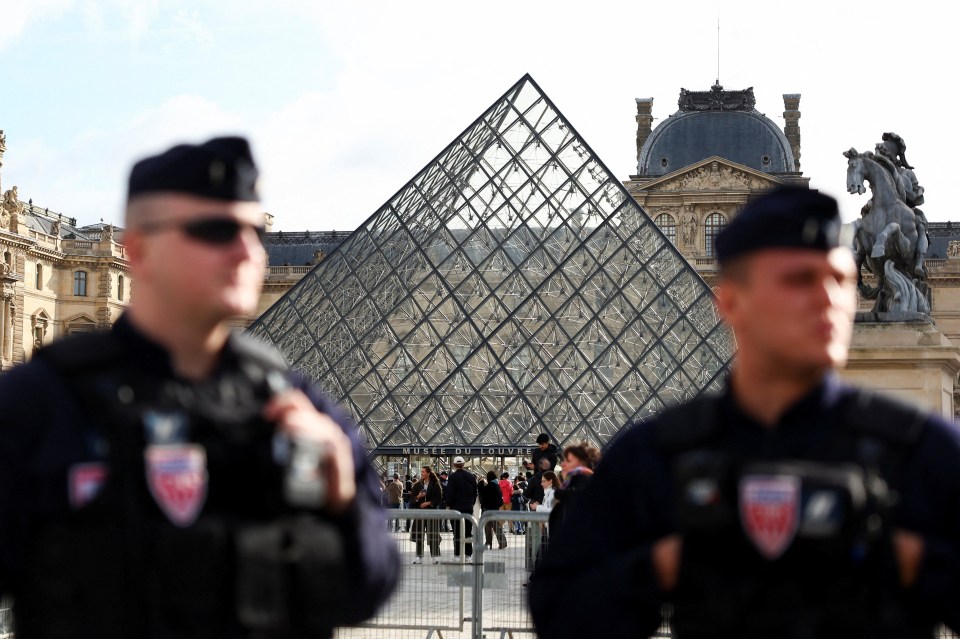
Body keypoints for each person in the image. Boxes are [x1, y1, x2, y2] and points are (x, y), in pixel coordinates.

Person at [0, 136, 399, 639]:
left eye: (255, 230)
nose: (246, 250)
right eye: (215, 230)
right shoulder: (37, 404)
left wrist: (342, 497)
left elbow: (372, 586)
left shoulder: (297, 402)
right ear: (138, 250)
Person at [529, 186, 960, 639]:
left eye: (840, 280)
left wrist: (907, 557)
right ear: (730, 301)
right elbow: (558, 611)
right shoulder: (656, 457)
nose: (827, 299)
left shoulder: (920, 452)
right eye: (798, 281)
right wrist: (676, 559)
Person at [444, 456, 478, 559]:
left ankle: (457, 554)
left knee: (457, 532)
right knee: (467, 531)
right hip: (468, 507)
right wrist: (471, 503)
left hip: (456, 509)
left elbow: (450, 493)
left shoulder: (452, 477)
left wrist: (448, 505)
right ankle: (468, 554)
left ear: (454, 465)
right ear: (463, 464)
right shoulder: (471, 476)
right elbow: (475, 492)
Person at [409, 466, 443, 564]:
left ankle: (435, 556)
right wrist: (418, 497)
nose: (422, 473)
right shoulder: (417, 485)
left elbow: (438, 498)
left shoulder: (435, 484)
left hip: (431, 512)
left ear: (428, 473)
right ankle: (419, 556)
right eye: (421, 472)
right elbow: (412, 500)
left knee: (433, 534)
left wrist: (428, 503)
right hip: (420, 512)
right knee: (419, 534)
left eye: (423, 472)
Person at [481, 470, 508, 549]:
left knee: (489, 527)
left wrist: (480, 483)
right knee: (495, 526)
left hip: (489, 509)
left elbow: (483, 492)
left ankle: (489, 543)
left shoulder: (491, 486)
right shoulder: (496, 485)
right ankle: (501, 543)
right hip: (495, 509)